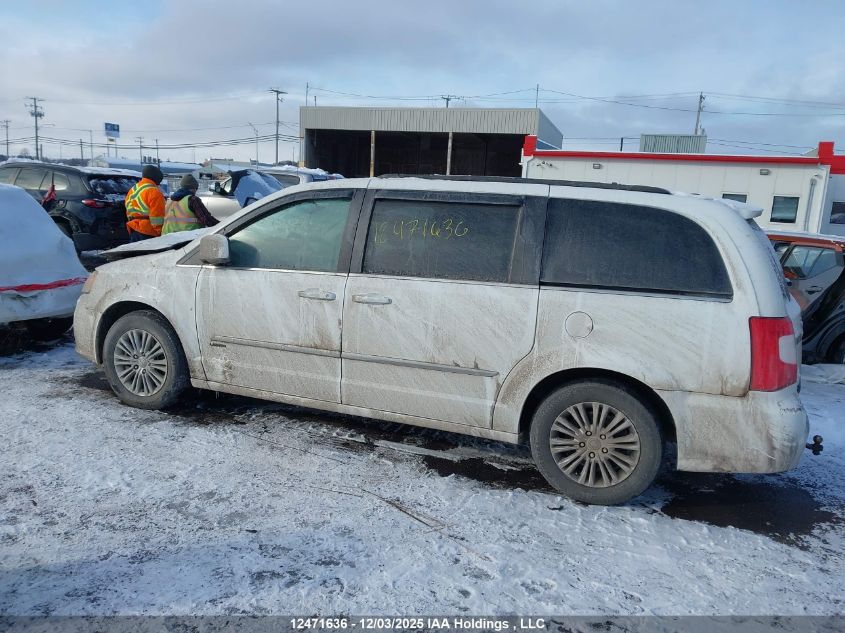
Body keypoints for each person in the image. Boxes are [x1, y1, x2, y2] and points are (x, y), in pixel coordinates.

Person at [125, 164, 166, 242]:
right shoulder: (154, 192)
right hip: (148, 232)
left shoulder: (133, 189)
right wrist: (160, 232)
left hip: (133, 228)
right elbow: (157, 217)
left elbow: (128, 209)